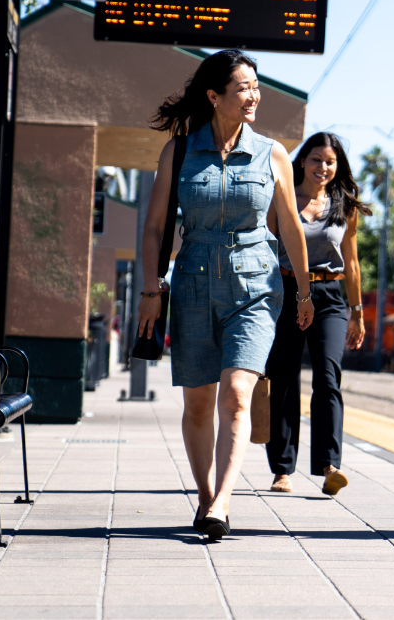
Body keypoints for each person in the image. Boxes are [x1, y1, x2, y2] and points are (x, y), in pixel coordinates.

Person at [138, 50, 314, 541]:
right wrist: (151, 288)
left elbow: (291, 228)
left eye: (256, 86)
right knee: (198, 404)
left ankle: (223, 501)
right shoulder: (178, 153)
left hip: (255, 286)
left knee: (237, 394)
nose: (254, 96)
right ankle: (204, 495)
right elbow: (155, 228)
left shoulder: (272, 154)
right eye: (243, 88)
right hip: (193, 283)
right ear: (214, 96)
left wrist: (303, 291)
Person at [263, 132, 369, 496]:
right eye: (316, 159)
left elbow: (351, 263)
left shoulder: (344, 206)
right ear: (302, 161)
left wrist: (357, 312)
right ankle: (282, 469)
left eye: (330, 162)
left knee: (328, 377)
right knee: (284, 377)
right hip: (285, 291)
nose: (323, 167)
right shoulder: (282, 198)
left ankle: (330, 466)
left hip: (330, 297)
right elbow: (266, 249)